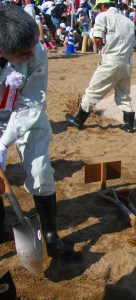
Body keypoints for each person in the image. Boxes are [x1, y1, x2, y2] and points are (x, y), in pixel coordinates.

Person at [0, 5, 64, 256]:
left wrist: (4, 143)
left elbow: (31, 102)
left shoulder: (36, 51)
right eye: (23, 53)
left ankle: (50, 231)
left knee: (40, 171)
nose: (31, 54)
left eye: (32, 48)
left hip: (27, 114)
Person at [65, 0, 136, 133]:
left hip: (111, 60)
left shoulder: (103, 16)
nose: (98, 10)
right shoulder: (128, 21)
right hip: (127, 62)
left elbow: (97, 38)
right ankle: (129, 125)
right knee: (124, 94)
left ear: (103, 6)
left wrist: (100, 49)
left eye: (99, 7)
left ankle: (79, 119)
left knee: (93, 91)